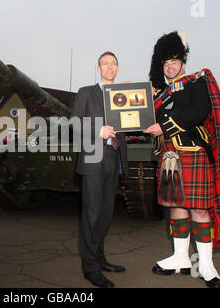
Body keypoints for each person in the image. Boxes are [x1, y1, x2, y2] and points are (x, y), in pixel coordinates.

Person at [144, 31, 220, 288]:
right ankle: (180, 257)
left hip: (194, 154)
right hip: (169, 158)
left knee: (199, 209)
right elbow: (145, 121)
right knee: (176, 206)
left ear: (183, 62)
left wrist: (163, 126)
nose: (170, 66)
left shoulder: (197, 81)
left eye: (174, 61)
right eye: (165, 63)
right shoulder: (159, 94)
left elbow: (200, 111)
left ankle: (206, 265)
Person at [72, 51, 128, 288]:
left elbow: (133, 119)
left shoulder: (122, 95)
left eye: (114, 64)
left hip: (114, 158)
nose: (110, 67)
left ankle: (101, 258)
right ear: (98, 68)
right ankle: (90, 268)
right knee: (92, 214)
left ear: (117, 69)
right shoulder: (87, 92)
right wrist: (98, 130)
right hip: (93, 158)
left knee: (105, 214)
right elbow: (74, 123)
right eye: (105, 63)